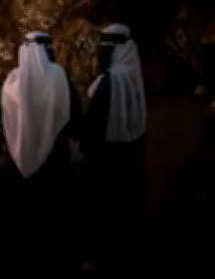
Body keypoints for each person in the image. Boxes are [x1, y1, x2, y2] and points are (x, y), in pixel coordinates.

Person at [0, 31, 82, 276]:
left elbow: (5, 123)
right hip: (56, 164)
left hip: (18, 167)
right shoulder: (58, 77)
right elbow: (75, 117)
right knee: (55, 221)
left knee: (25, 224)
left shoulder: (12, 82)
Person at [82, 23, 146, 276]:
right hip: (132, 154)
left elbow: (94, 124)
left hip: (106, 159)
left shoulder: (108, 82)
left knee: (105, 210)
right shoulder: (134, 76)